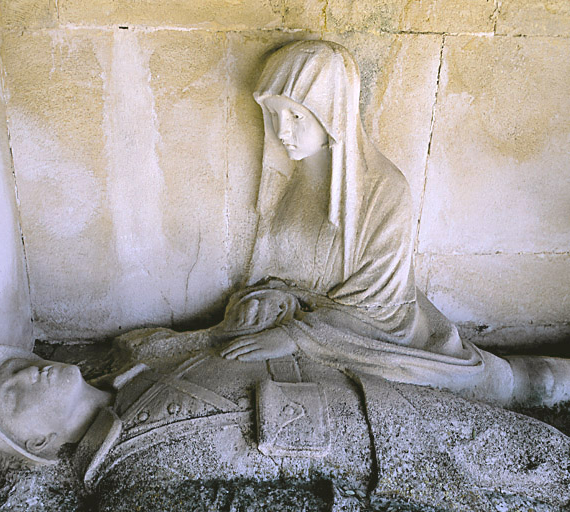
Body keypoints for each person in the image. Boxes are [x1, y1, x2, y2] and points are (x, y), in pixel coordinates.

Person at [217, 40, 570, 409]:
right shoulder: (291, 186)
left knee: (492, 383)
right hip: (318, 328)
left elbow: (384, 314)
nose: (281, 131)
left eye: (296, 116)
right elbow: (281, 274)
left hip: (384, 342)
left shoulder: (385, 193)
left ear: (331, 113)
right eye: (273, 115)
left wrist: (297, 336)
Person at [0, 342, 570, 511]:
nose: (30, 371)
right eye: (14, 389)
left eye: (18, 364)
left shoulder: (141, 371)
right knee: (528, 478)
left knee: (543, 451)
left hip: (371, 403)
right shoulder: (124, 484)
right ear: (38, 445)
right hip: (374, 470)